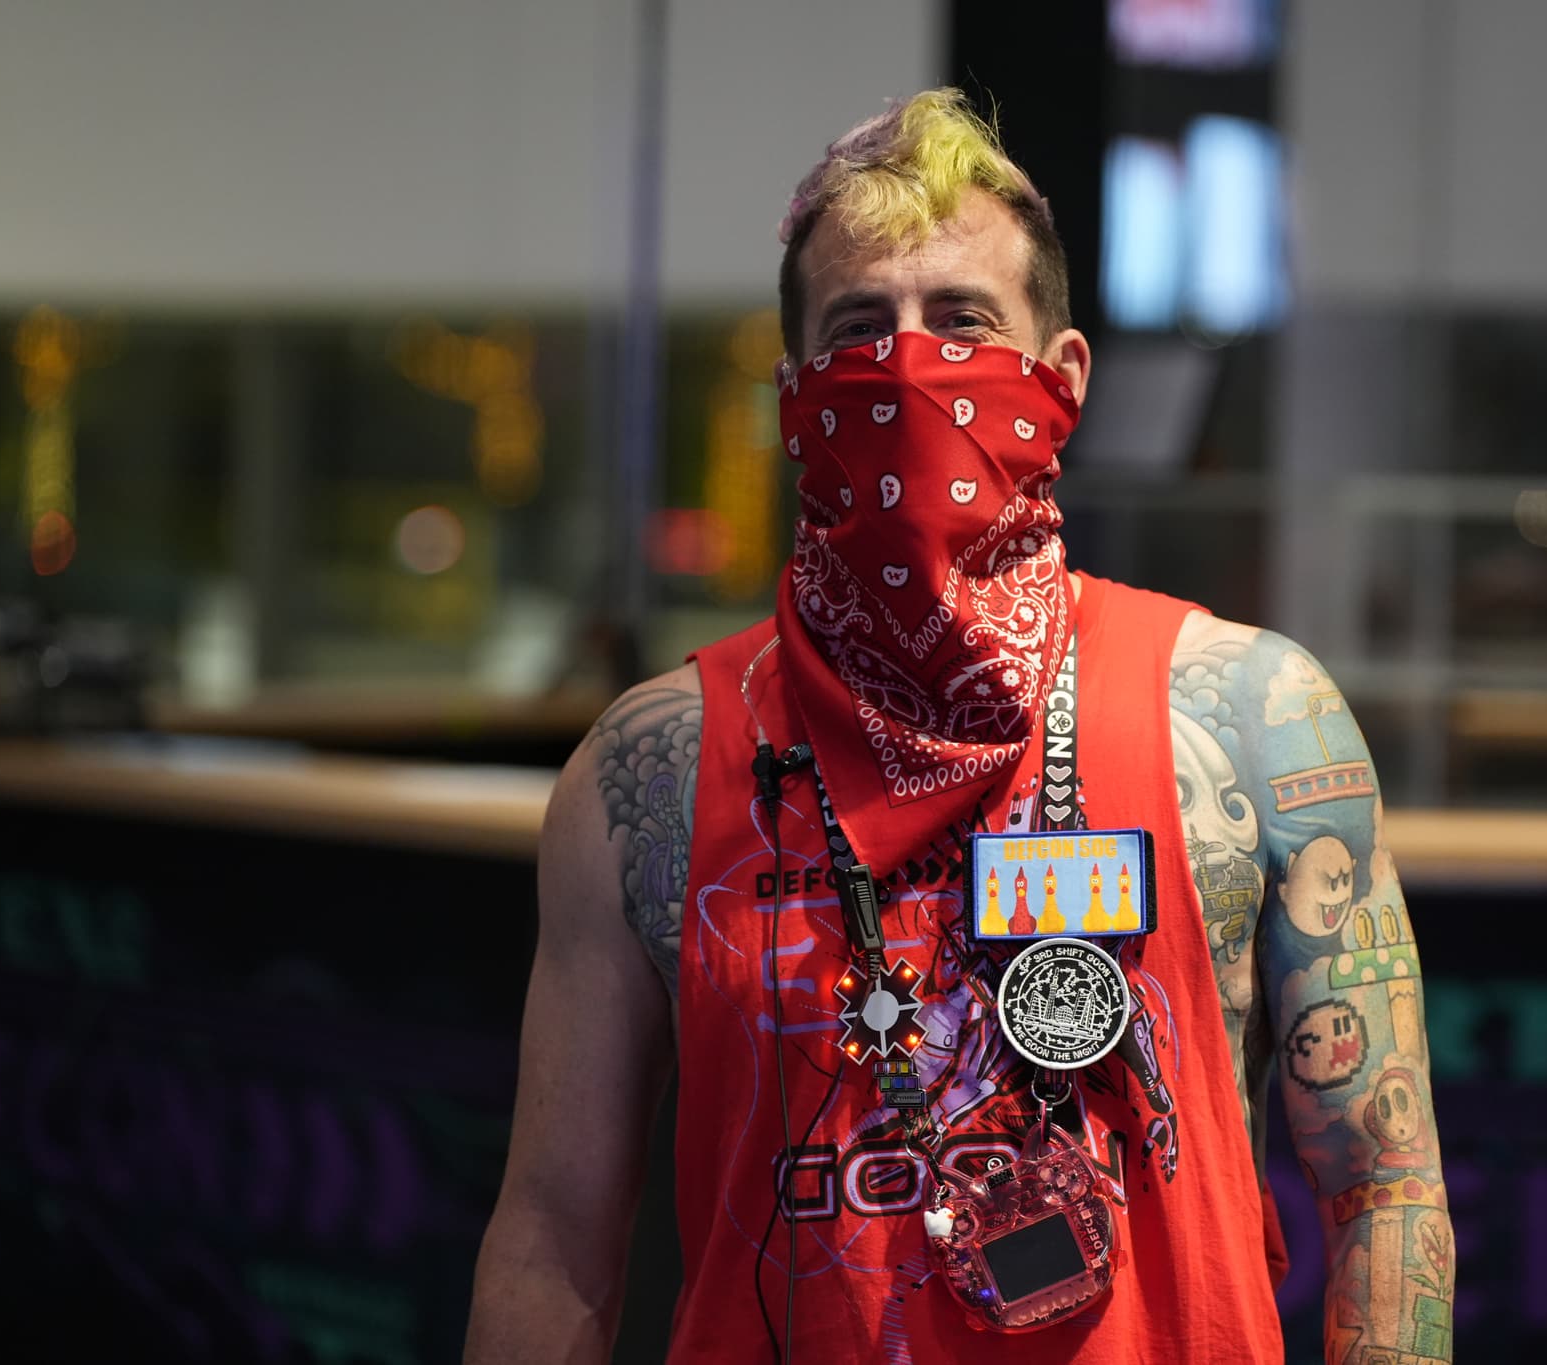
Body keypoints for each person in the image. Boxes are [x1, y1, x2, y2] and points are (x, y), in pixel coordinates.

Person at [465, 88, 1455, 1364]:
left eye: (963, 321)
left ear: (1063, 378)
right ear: (792, 396)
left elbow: (1383, 1189)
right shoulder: (645, 770)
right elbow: (552, 1236)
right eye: (859, 329)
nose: (909, 365)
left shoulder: (1249, 714)